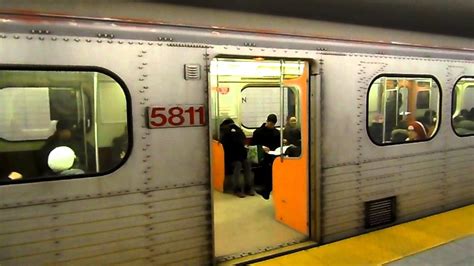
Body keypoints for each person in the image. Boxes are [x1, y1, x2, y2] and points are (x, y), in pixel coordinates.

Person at [220, 118, 255, 198]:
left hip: (239, 156)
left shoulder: (237, 132)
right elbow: (226, 150)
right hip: (229, 158)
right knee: (238, 164)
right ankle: (237, 189)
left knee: (247, 163)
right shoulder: (225, 135)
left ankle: (248, 187)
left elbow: (241, 144)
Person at [251, 114, 281, 200]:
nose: (271, 126)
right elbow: (253, 145)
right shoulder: (258, 132)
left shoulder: (276, 133)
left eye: (273, 125)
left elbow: (278, 145)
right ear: (266, 121)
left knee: (276, 162)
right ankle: (267, 189)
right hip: (260, 153)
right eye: (270, 124)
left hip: (273, 153)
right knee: (268, 164)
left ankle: (269, 189)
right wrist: (262, 147)